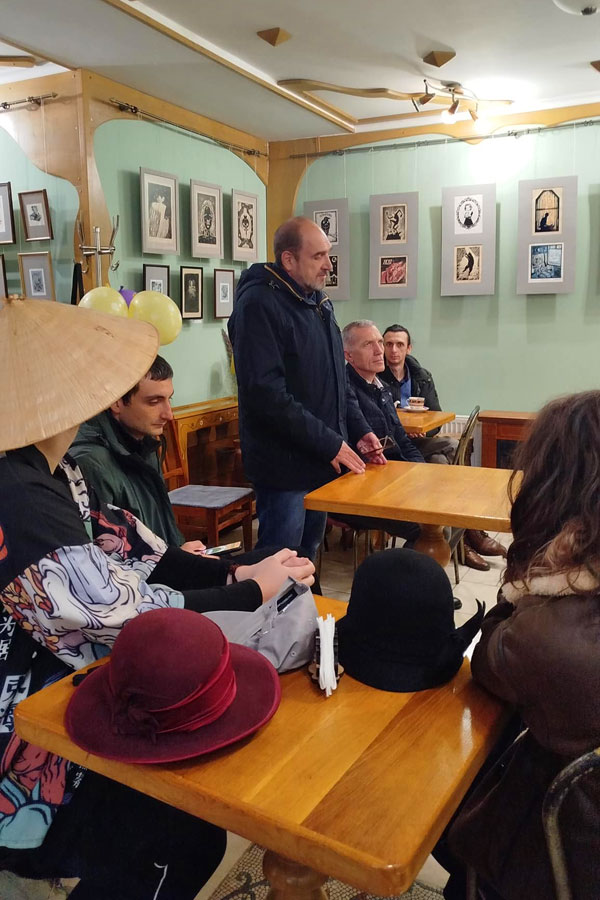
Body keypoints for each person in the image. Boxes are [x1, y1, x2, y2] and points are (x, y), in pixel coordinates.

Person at [0, 296, 314, 898]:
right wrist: (251, 590)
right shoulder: (20, 494)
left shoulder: (51, 470)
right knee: (184, 831)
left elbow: (135, 548)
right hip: (32, 738)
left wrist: (238, 572)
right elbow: (120, 615)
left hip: (73, 693)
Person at [439, 390, 600, 900]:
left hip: (563, 859)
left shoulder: (546, 640)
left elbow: (490, 658)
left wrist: (529, 572)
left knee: (444, 804)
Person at [228, 216, 382, 560]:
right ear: (289, 259)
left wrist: (359, 430)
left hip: (318, 461)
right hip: (284, 468)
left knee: (308, 555)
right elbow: (266, 394)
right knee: (280, 562)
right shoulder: (259, 304)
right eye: (318, 256)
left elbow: (338, 380)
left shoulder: (318, 302)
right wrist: (331, 442)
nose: (329, 265)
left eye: (328, 254)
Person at [381, 324, 506, 570]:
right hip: (394, 447)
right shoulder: (377, 377)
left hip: (420, 441)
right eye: (389, 344)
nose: (393, 350)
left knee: (442, 455)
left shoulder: (421, 375)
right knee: (448, 449)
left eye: (399, 344)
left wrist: (424, 431)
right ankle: (467, 537)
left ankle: (458, 543)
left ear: (409, 348)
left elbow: (436, 416)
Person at [71, 355, 198, 551]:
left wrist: (182, 553)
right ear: (116, 402)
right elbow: (108, 559)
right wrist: (178, 560)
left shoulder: (143, 442)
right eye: (154, 402)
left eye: (169, 399)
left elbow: (161, 527)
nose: (169, 414)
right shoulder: (91, 463)